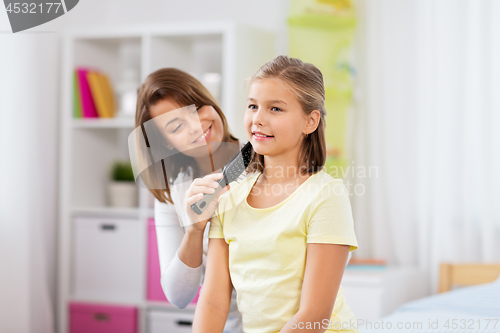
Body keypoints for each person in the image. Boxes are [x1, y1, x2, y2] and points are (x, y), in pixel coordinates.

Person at [187, 55, 359, 333]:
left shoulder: (326, 196)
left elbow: (313, 316)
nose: (258, 119)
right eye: (252, 106)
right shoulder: (228, 197)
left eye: (275, 109)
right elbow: (213, 303)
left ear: (310, 122)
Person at [135, 68, 245, 333]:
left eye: (195, 108)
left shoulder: (261, 160)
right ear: (168, 143)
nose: (196, 125)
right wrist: (194, 230)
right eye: (176, 126)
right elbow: (178, 296)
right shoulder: (175, 193)